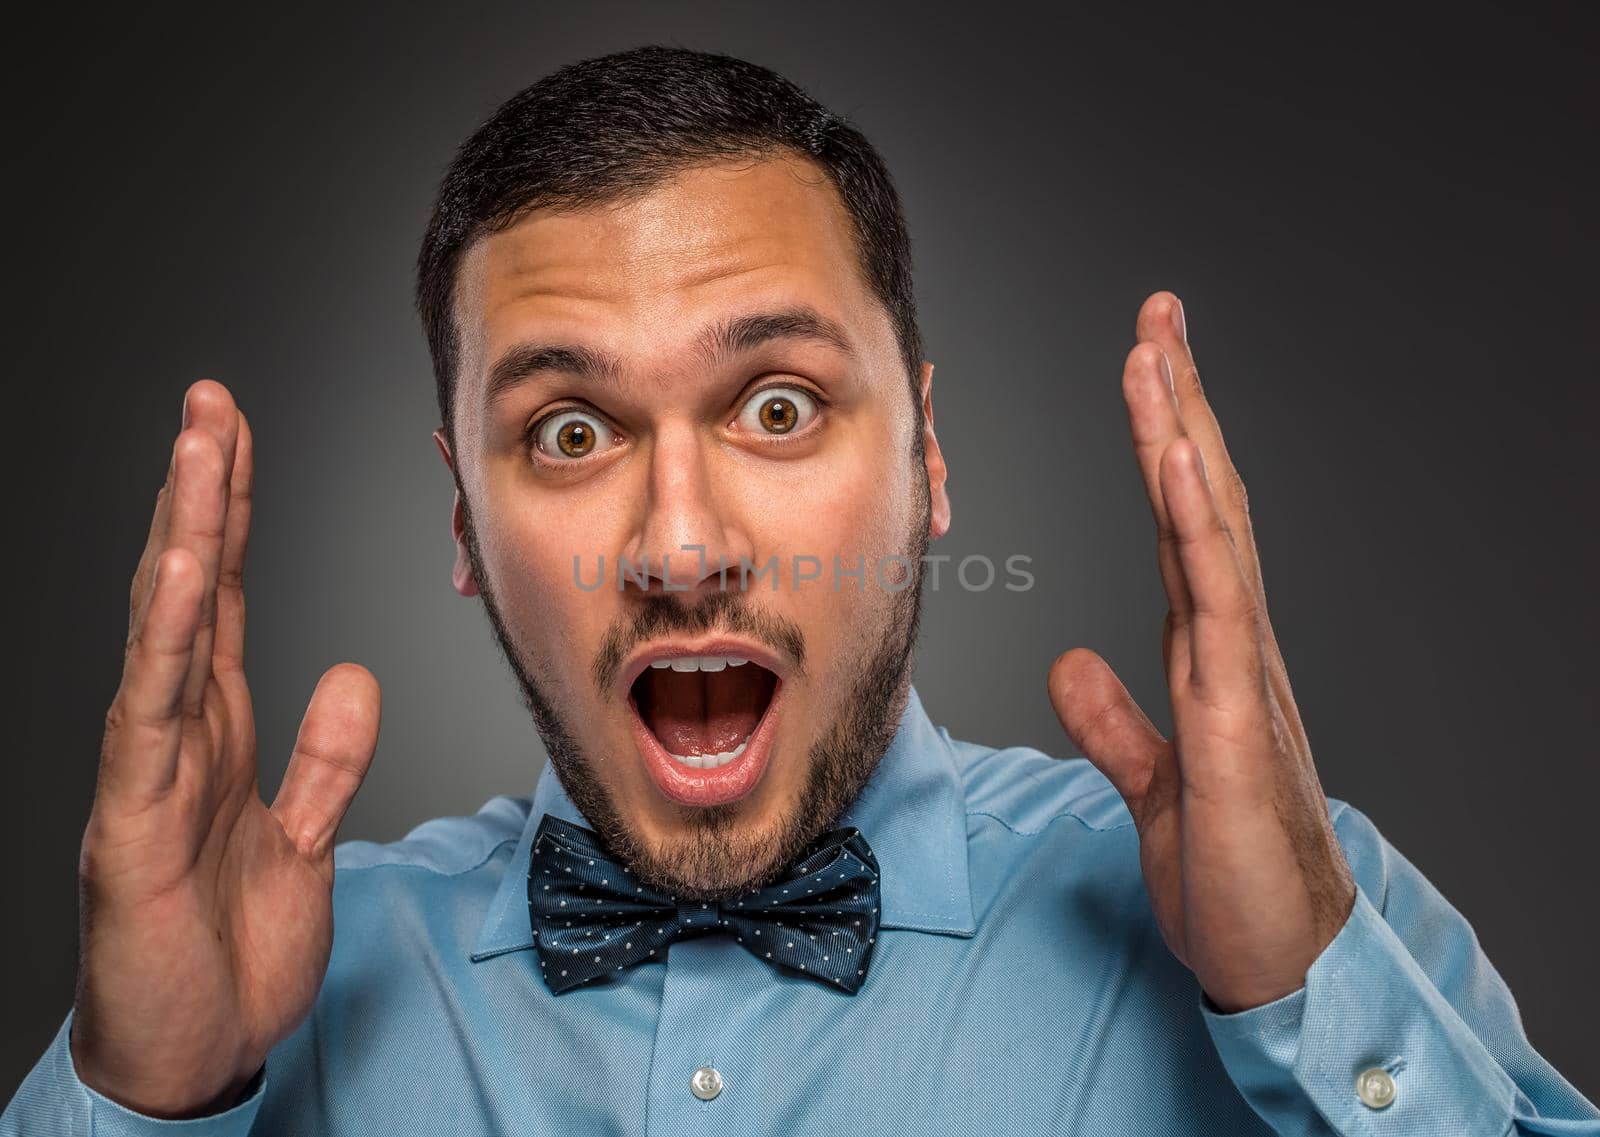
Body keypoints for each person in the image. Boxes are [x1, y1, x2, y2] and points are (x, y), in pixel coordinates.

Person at [3, 43, 1595, 1137]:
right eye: (569, 430)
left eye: (776, 405)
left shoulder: (1309, 913)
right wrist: (142, 1101)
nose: (684, 544)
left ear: (931, 461)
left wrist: (1306, 989)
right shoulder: (263, 995)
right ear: (467, 523)